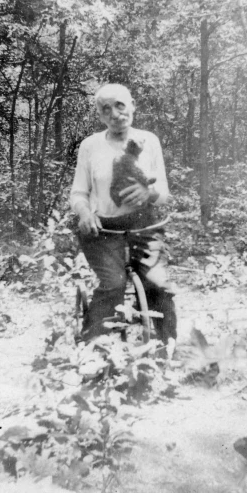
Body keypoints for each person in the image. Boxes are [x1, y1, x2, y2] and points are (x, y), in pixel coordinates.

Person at [70, 83, 177, 351]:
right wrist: (84, 213)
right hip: (103, 231)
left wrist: (148, 191)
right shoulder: (90, 146)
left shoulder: (148, 140)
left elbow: (163, 194)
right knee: (113, 284)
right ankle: (95, 349)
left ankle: (168, 346)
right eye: (107, 109)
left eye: (120, 105)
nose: (116, 114)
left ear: (132, 105)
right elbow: (78, 194)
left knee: (158, 283)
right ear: (100, 115)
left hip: (145, 226)